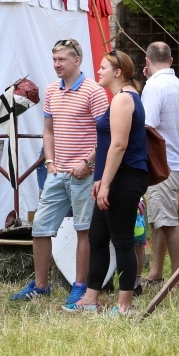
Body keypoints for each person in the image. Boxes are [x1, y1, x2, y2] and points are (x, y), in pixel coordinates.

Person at [10, 38, 108, 306]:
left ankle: (80, 286)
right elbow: (49, 130)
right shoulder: (52, 90)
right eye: (54, 59)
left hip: (84, 174)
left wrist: (87, 163)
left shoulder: (94, 91)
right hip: (57, 172)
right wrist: (50, 160)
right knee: (40, 227)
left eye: (62, 59)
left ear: (77, 60)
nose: (56, 64)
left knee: (83, 230)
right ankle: (41, 285)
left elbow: (106, 135)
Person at [65, 51, 149, 314]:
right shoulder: (121, 97)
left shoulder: (124, 99)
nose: (98, 72)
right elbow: (108, 145)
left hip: (125, 177)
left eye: (103, 68)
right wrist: (100, 177)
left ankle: (124, 305)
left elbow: (119, 145)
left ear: (118, 72)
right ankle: (90, 299)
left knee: (122, 240)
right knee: (98, 236)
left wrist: (106, 183)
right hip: (113, 177)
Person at [140, 41, 179, 288]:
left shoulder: (153, 86)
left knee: (168, 222)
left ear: (147, 61)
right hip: (176, 162)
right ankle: (156, 272)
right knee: (159, 220)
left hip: (162, 164)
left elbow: (147, 126)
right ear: (171, 61)